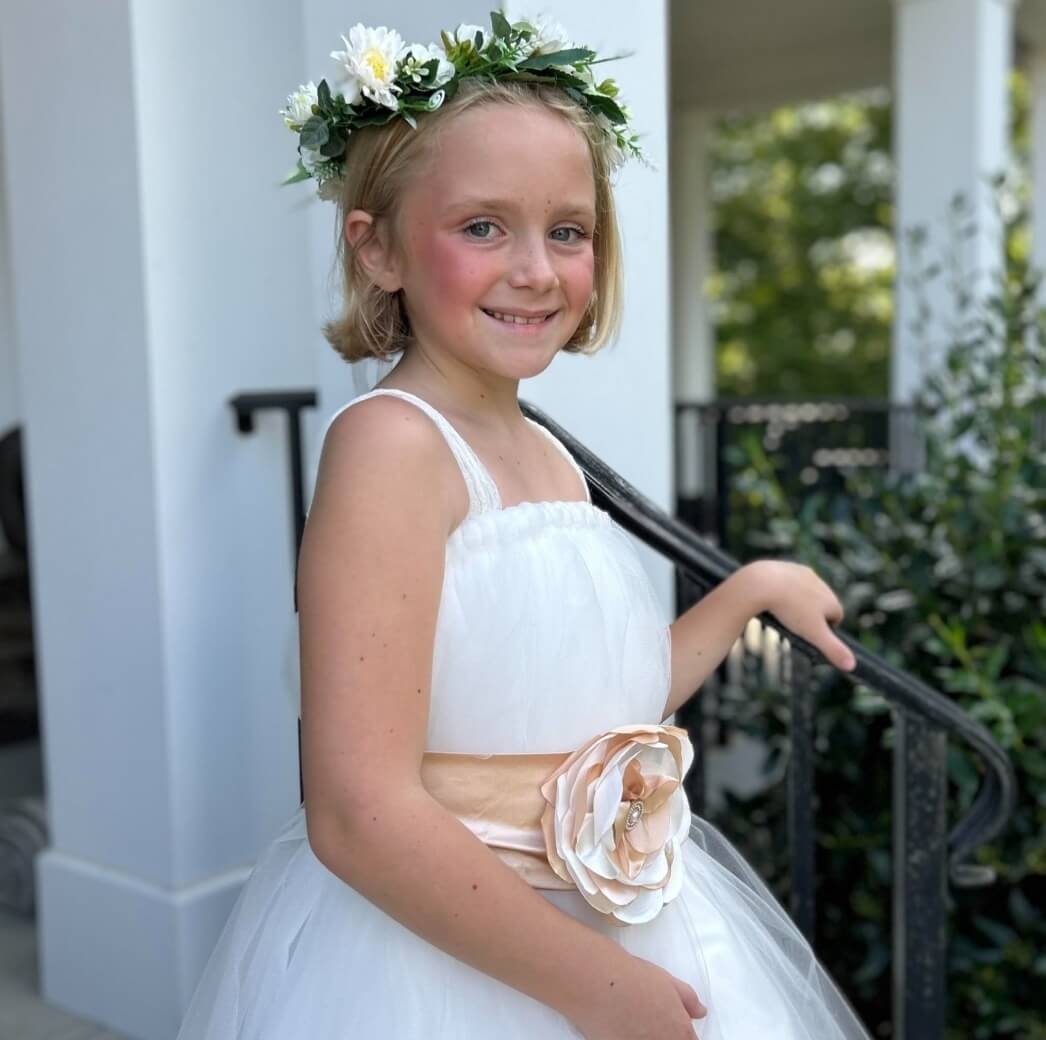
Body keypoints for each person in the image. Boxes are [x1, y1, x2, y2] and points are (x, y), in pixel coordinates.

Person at [176, 13, 872, 1039]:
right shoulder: (392, 449)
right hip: (455, 959)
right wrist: (594, 986)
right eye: (481, 226)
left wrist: (749, 588)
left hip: (615, 922)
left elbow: (593, 702)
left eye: (567, 230)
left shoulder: (540, 450)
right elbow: (359, 809)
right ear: (378, 249)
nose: (536, 269)